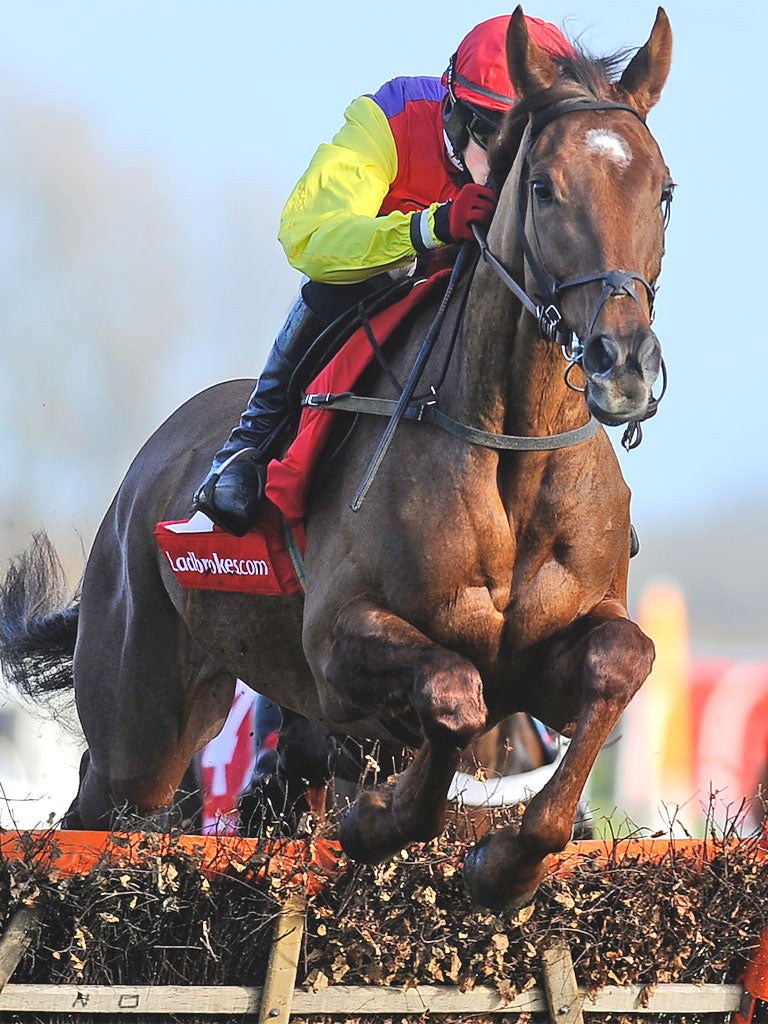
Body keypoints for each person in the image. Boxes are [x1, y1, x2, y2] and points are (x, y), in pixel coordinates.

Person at [194, 14, 572, 536]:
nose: (504, 164)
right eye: (490, 135)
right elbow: (306, 236)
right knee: (364, 274)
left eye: (524, 142)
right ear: (453, 111)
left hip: (480, 325)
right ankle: (247, 448)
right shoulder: (389, 118)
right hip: (381, 296)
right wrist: (429, 227)